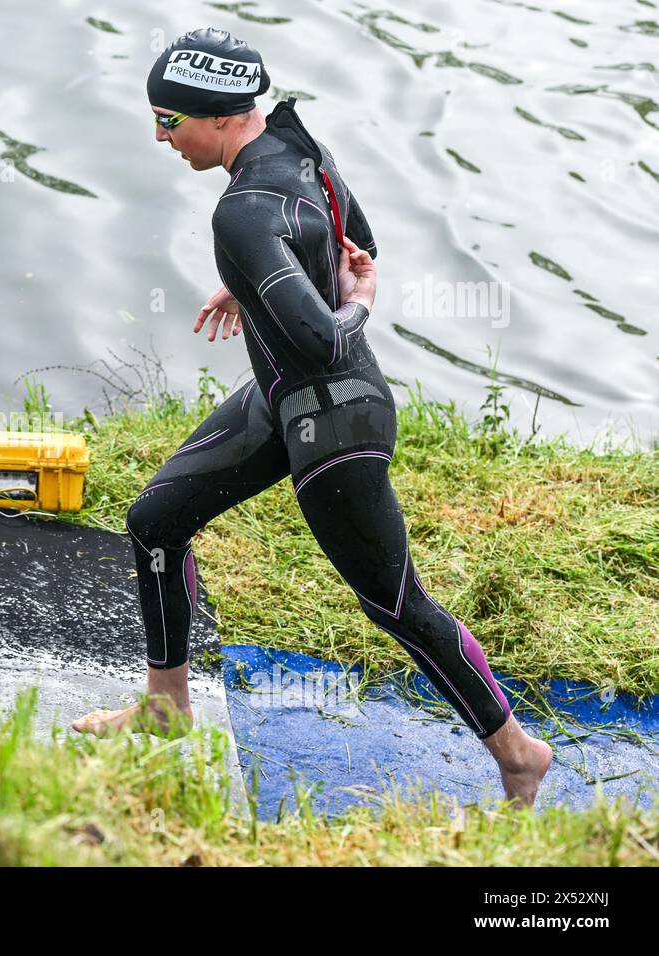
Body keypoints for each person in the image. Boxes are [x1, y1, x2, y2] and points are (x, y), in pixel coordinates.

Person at [71, 27, 554, 808]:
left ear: (220, 117)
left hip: (333, 419)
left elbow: (328, 341)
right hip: (285, 400)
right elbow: (352, 235)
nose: (159, 137)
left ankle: (518, 752)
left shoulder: (240, 212)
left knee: (397, 604)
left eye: (167, 121)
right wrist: (263, 282)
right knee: (155, 519)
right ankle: (165, 706)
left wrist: (354, 303)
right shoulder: (293, 144)